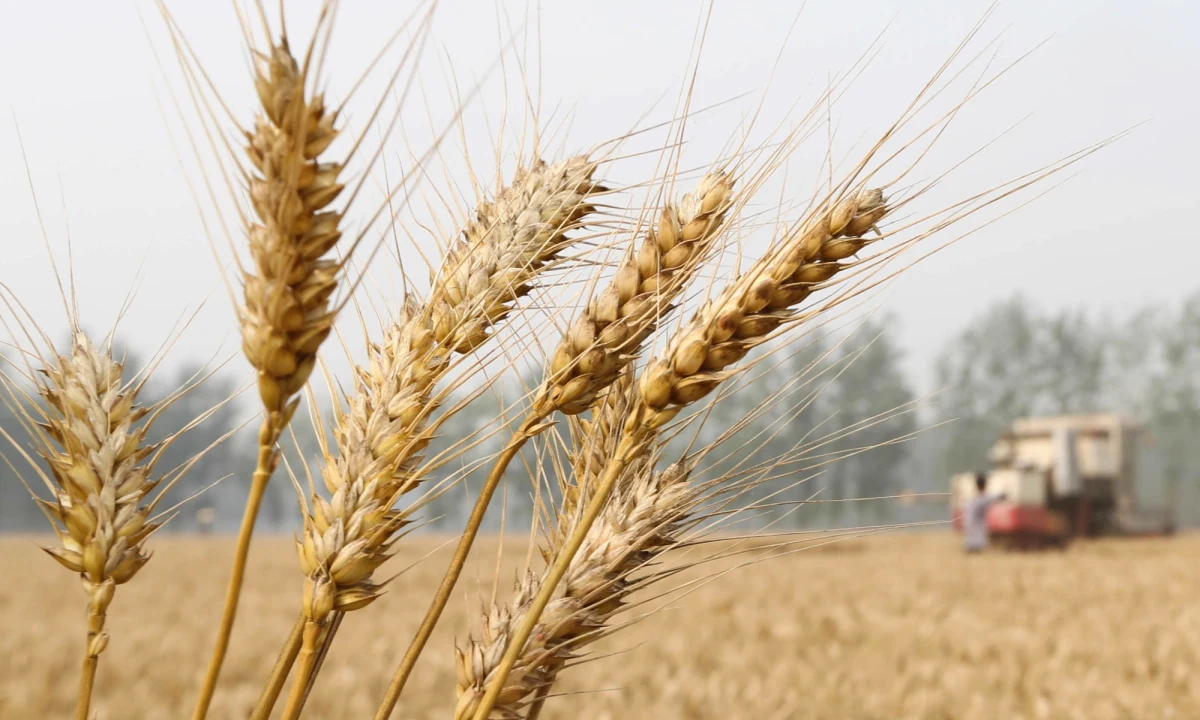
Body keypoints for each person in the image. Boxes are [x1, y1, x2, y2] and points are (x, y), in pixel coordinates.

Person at [963, 473, 1005, 554]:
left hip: (969, 537)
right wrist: (1004, 494)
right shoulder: (981, 499)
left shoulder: (971, 500)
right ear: (984, 485)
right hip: (977, 539)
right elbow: (993, 498)